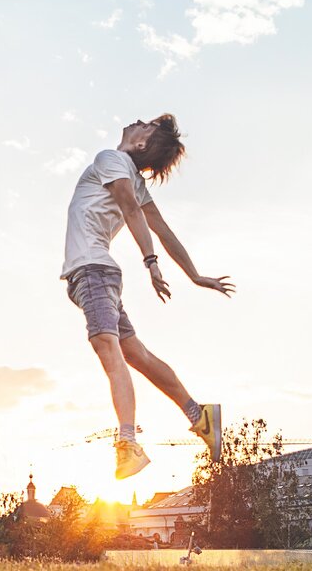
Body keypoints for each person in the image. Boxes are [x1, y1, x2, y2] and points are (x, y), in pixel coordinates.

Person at [60, 114, 233, 480]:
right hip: (95, 273)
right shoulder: (132, 178)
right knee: (134, 353)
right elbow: (162, 228)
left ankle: (127, 444)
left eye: (147, 124)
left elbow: (131, 209)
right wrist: (195, 275)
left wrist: (151, 261)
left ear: (140, 145)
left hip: (93, 271)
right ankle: (197, 415)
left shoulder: (112, 158)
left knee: (108, 349)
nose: (138, 120)